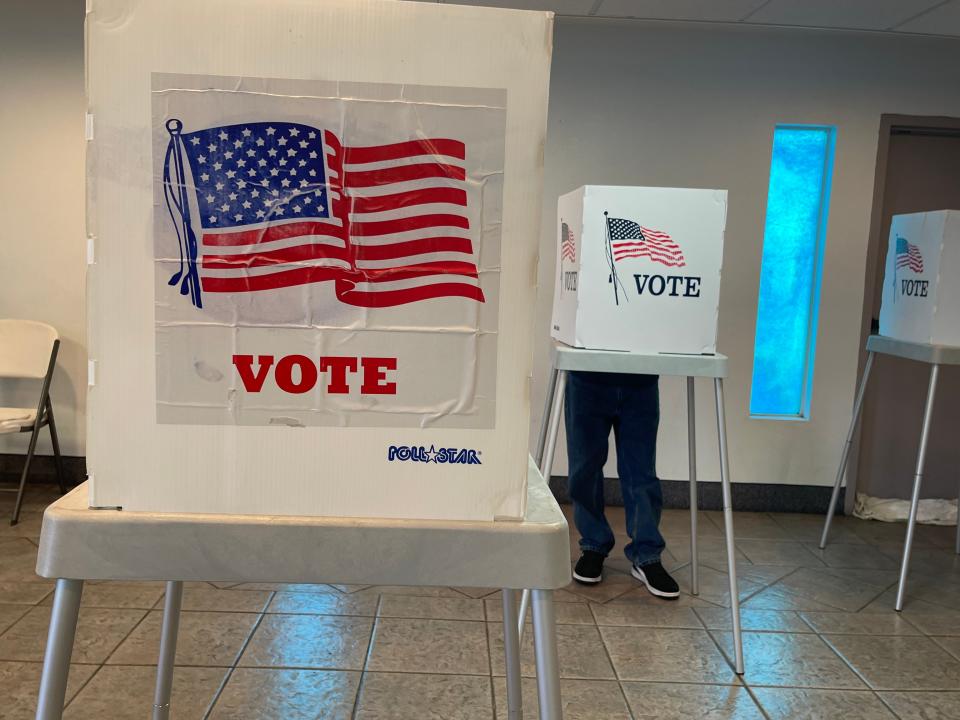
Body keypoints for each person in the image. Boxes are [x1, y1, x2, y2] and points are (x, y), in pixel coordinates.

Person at [565, 370, 679, 598]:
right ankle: (593, 545)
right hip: (587, 377)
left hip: (640, 379)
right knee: (584, 469)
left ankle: (646, 554)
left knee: (641, 473)